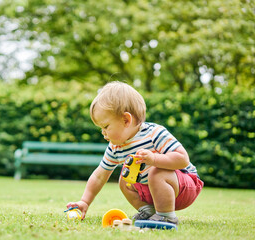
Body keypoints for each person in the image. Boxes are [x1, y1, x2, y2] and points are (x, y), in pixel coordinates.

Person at [66, 81, 204, 225]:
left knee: (156, 172)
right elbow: (99, 176)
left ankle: (166, 216)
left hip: (184, 186)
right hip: (153, 192)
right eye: (101, 128)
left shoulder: (154, 133)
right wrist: (84, 201)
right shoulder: (115, 147)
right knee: (124, 179)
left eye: (106, 126)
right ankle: (148, 211)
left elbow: (183, 159)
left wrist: (154, 159)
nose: (103, 133)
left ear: (126, 120)